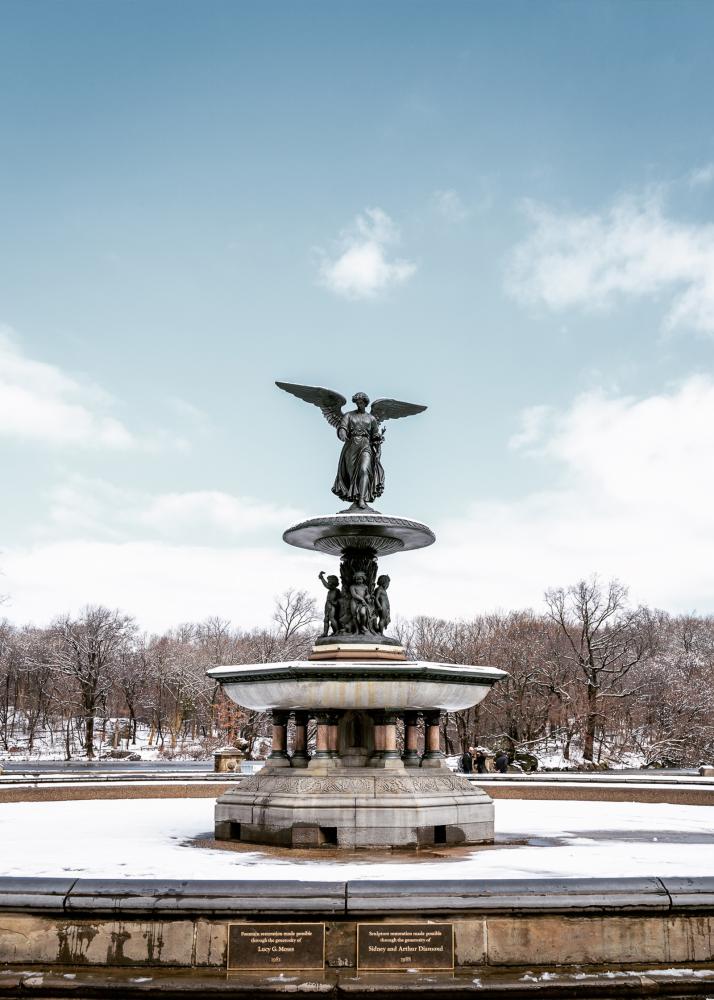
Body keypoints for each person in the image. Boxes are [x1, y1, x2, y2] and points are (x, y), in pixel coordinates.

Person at [332, 392, 385, 508]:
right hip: (351, 445)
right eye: (357, 402)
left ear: (365, 403)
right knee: (351, 474)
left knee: (364, 469)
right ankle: (355, 496)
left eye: (361, 402)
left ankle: (362, 498)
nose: (359, 404)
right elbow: (342, 427)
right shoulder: (349, 415)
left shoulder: (371, 418)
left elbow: (375, 435)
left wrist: (378, 445)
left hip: (366, 445)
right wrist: (342, 433)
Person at [318, 571, 341, 637]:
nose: (328, 583)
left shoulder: (336, 590)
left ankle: (337, 631)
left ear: (333, 583)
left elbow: (339, 601)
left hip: (332, 606)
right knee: (326, 619)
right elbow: (327, 585)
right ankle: (325, 633)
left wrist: (322, 578)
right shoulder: (330, 591)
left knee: (332, 618)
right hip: (327, 605)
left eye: (329, 581)